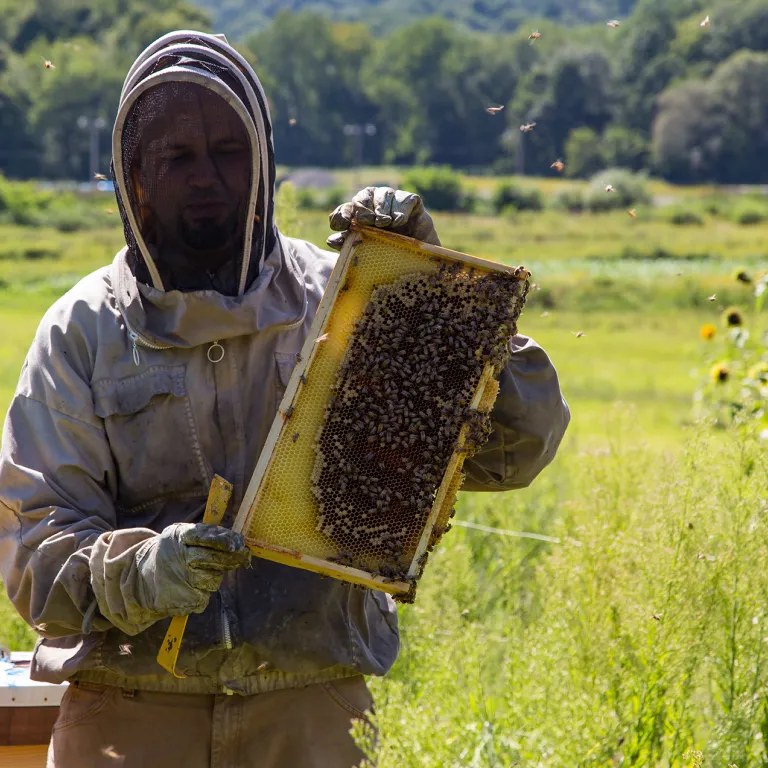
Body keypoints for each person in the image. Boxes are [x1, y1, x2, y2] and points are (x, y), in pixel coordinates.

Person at [0, 31, 570, 768]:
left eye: (227, 151)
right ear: (135, 175)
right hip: (132, 716)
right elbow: (32, 553)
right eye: (176, 156)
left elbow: (518, 449)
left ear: (264, 161)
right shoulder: (81, 333)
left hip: (311, 710)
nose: (205, 175)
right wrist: (141, 573)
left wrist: (434, 295)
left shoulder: (343, 298)